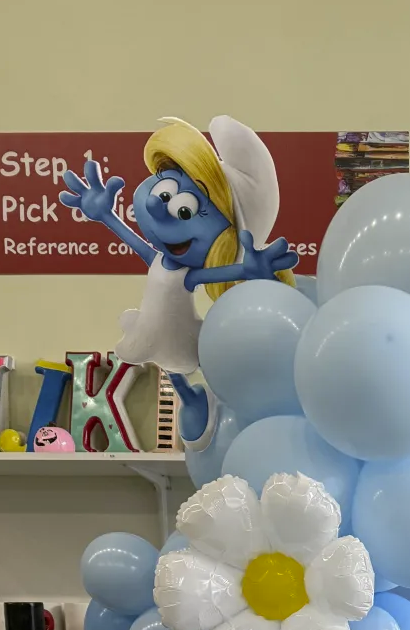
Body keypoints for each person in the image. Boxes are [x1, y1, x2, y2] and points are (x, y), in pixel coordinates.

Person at [59, 116, 298, 437]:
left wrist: (249, 271)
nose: (158, 205)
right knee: (163, 361)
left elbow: (220, 273)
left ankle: (205, 399)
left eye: (185, 210)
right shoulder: (160, 260)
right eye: (166, 190)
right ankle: (189, 397)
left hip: (184, 335)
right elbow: (140, 247)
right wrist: (105, 216)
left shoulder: (189, 275)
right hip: (150, 325)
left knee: (190, 360)